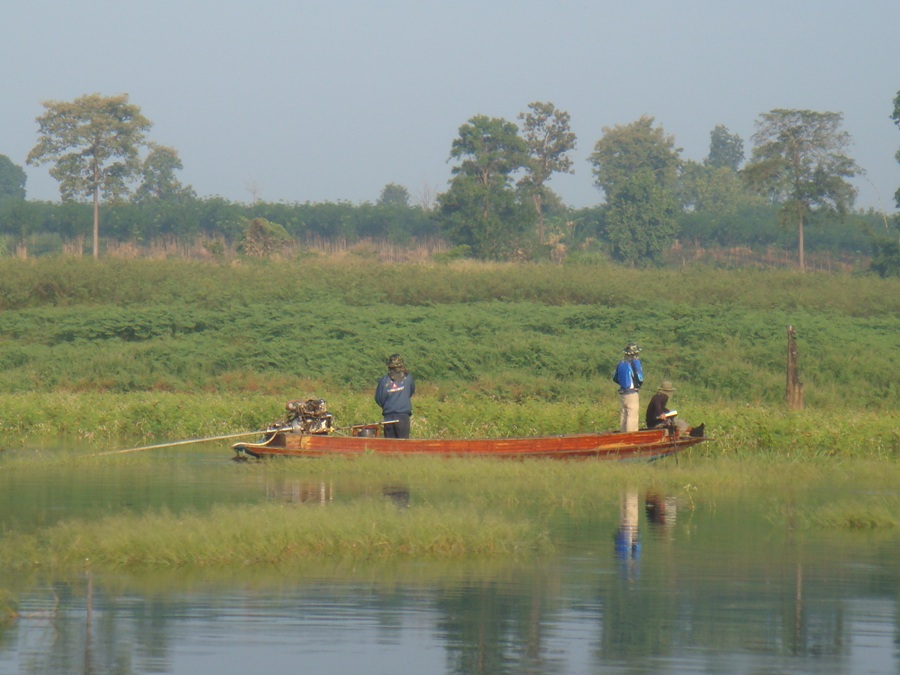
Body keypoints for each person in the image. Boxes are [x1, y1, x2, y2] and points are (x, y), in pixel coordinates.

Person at [374, 353, 415, 439]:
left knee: (389, 445)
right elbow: (410, 392)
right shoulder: (408, 378)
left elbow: (379, 399)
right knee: (403, 445)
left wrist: (389, 405)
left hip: (389, 416)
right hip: (403, 416)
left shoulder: (384, 380)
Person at [613, 342, 643, 432]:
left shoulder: (620, 364)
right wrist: (637, 385)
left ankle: (623, 434)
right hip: (632, 393)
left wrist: (623, 383)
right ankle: (631, 437)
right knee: (632, 415)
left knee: (624, 415)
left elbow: (614, 378)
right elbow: (640, 378)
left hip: (622, 393)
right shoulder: (635, 363)